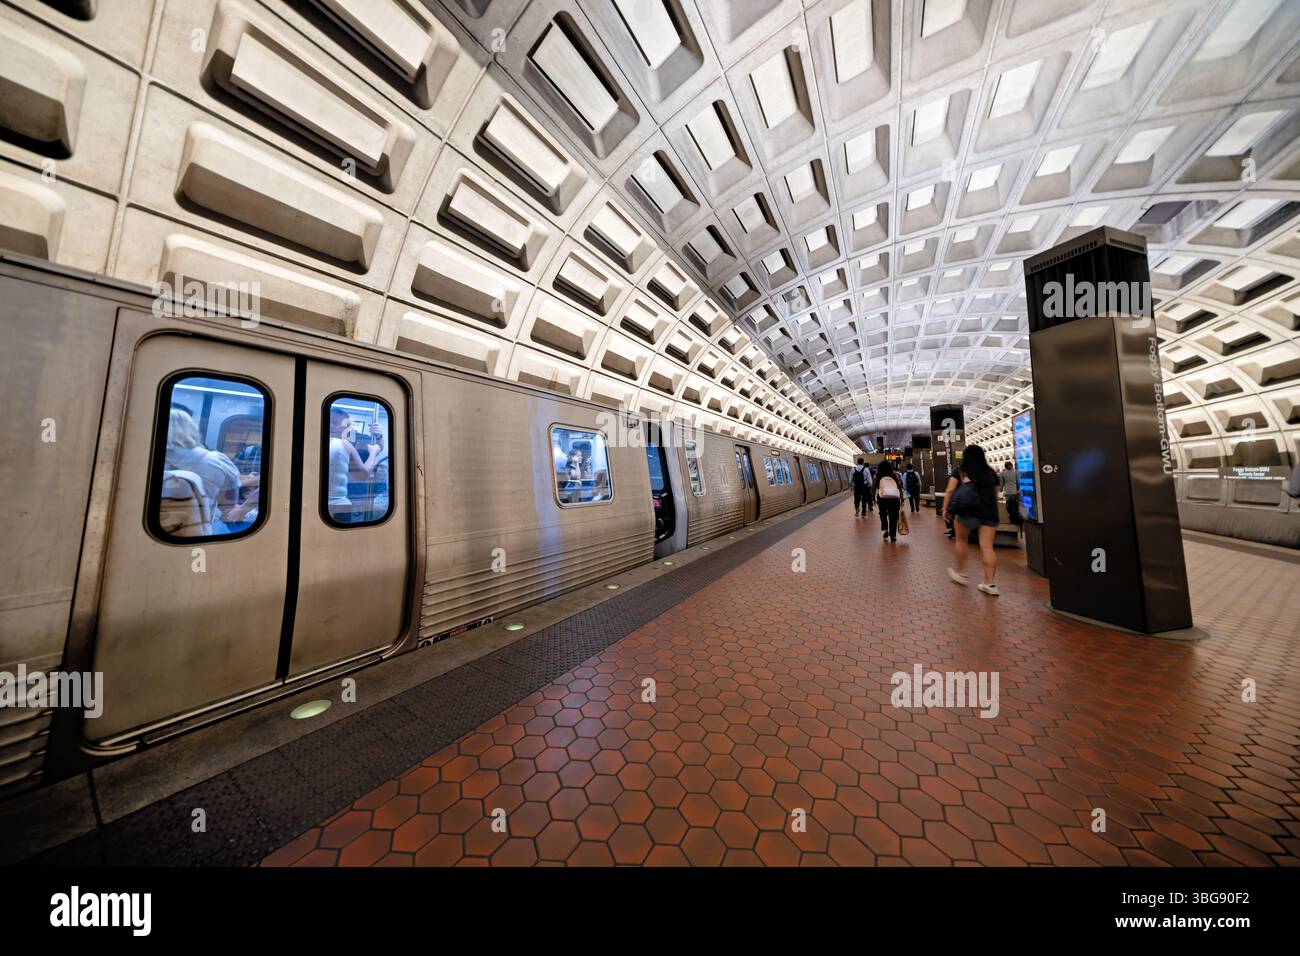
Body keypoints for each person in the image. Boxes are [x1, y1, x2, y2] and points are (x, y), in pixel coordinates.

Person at [164, 407, 248, 535]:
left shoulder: (144, 460)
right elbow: (228, 509)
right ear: (191, 430)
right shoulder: (216, 461)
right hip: (204, 529)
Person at [943, 444, 1001, 596]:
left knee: (961, 540)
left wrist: (945, 509)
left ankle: (961, 573)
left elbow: (949, 490)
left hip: (967, 511)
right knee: (987, 547)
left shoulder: (961, 471)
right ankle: (990, 584)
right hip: (989, 512)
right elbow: (996, 494)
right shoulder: (990, 472)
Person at [328, 407, 385, 522]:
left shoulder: (359, 439)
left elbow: (378, 447)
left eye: (336, 423)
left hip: (355, 492)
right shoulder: (315, 439)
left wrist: (379, 436)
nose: (332, 426)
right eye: (329, 421)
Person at [875, 460, 903, 543]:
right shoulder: (895, 475)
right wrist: (902, 498)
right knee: (893, 516)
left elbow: (873, 487)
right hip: (894, 498)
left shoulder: (877, 476)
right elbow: (900, 487)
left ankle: (886, 529)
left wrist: (873, 498)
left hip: (882, 497)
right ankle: (893, 535)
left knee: (883, 514)